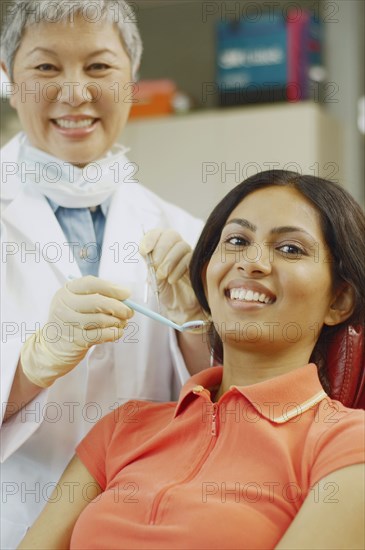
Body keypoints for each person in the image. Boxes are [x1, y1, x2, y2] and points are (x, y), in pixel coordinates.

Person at [17, 170, 365, 549]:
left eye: (290, 249)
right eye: (236, 240)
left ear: (339, 300)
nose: (251, 262)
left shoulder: (346, 441)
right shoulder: (123, 427)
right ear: (206, 270)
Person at [0, 1, 207, 547]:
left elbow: (220, 404)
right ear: (7, 78)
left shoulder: (183, 229)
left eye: (98, 67)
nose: (75, 93)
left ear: (132, 79)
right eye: (46, 68)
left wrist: (196, 326)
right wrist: (31, 367)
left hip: (139, 526)